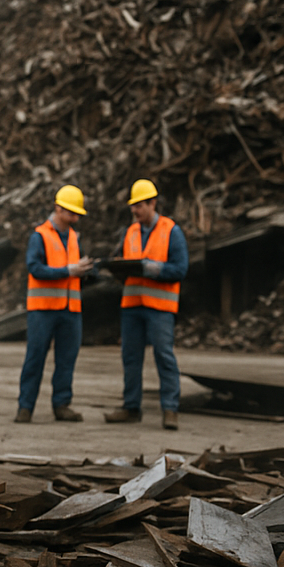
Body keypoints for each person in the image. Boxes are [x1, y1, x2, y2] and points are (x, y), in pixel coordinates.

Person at [105, 179, 188, 430]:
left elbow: (180, 269)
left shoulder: (171, 231)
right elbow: (123, 260)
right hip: (132, 305)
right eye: (133, 206)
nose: (135, 210)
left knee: (164, 356)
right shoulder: (130, 232)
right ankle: (131, 407)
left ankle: (170, 409)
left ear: (153, 204)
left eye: (139, 205)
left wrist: (151, 268)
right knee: (130, 357)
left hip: (159, 307)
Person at [16, 185, 96, 423]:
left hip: (70, 310)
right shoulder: (39, 236)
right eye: (71, 213)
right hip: (43, 310)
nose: (75, 218)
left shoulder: (73, 238)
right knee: (35, 358)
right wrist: (68, 270)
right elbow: (35, 268)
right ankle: (25, 407)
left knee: (66, 359)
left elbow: (74, 269)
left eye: (77, 214)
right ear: (58, 209)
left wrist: (87, 270)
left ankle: (62, 404)